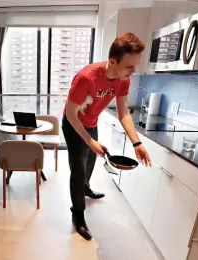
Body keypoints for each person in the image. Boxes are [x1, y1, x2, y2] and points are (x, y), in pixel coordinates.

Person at [62, 32, 152, 241]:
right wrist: (90, 140)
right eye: (129, 66)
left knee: (91, 161)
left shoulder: (123, 79)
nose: (133, 71)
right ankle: (78, 214)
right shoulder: (87, 78)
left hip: (91, 122)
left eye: (135, 66)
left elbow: (124, 113)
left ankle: (86, 188)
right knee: (78, 167)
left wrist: (136, 143)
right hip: (74, 125)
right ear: (113, 61)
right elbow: (70, 113)